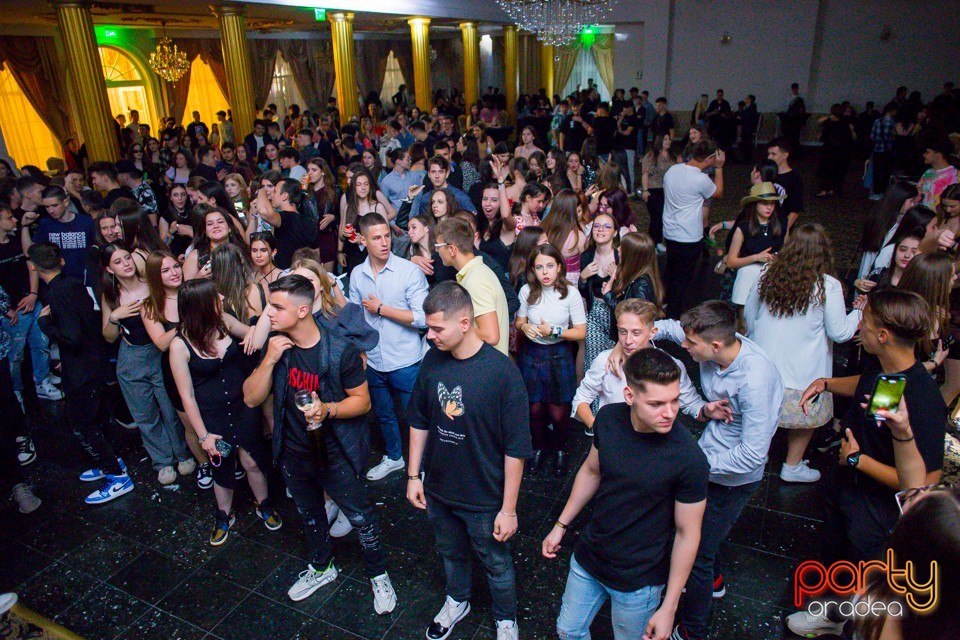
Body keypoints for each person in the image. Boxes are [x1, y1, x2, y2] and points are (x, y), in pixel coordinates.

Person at [785, 289, 946, 638]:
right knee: (836, 555)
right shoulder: (884, 367)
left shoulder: (924, 400)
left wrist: (859, 460)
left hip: (876, 507)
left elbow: (924, 483)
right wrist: (827, 384)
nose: (860, 326)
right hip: (847, 484)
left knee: (860, 570)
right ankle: (831, 613)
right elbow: (865, 385)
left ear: (883, 335)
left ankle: (846, 623)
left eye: (866, 322)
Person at [242, 275, 397, 613]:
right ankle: (322, 567)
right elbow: (251, 398)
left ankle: (379, 574)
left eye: (277, 307)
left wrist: (327, 409)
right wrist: (268, 360)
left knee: (361, 518)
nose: (269, 313)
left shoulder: (340, 349)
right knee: (310, 514)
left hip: (335, 453)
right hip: (294, 452)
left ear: (302, 311)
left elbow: (363, 402)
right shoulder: (277, 347)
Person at [544, 348, 709, 640]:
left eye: (674, 400)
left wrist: (669, 607)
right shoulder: (608, 418)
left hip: (639, 580)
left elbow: (688, 534)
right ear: (630, 396)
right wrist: (560, 524)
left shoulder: (689, 458)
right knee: (568, 631)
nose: (670, 412)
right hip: (590, 557)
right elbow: (591, 471)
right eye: (657, 403)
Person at [406, 281, 531, 640]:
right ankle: (457, 600)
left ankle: (505, 619)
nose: (430, 336)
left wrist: (509, 509)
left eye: (437, 328)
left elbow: (516, 448)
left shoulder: (502, 372)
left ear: (464, 323)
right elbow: (419, 419)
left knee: (495, 563)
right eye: (428, 328)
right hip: (440, 490)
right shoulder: (433, 360)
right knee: (451, 553)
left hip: (484, 496)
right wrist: (413, 475)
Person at [653, 301, 784, 640]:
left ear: (714, 346)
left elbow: (753, 455)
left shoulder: (754, 381)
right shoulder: (715, 342)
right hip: (710, 454)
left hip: (732, 479)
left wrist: (695, 467)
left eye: (691, 343)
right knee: (700, 535)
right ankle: (715, 580)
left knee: (696, 552)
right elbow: (672, 329)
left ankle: (692, 630)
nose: (684, 346)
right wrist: (645, 331)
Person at [744, 224, 860, 482]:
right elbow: (840, 333)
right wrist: (859, 313)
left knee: (761, 416)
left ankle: (757, 458)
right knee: (804, 419)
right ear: (824, 252)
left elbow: (750, 316)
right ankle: (792, 466)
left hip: (763, 364)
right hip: (804, 371)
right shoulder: (828, 285)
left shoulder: (767, 274)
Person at [170, 279, 280, 545]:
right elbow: (187, 397)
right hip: (213, 416)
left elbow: (255, 335)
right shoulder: (179, 345)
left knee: (253, 461)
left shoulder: (225, 322)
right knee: (222, 468)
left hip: (243, 407)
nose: (222, 297)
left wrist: (270, 306)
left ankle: (264, 504)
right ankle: (223, 516)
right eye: (214, 295)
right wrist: (203, 436)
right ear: (200, 305)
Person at [29, 242, 132, 505]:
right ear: (61, 261)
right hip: (94, 363)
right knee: (101, 418)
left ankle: (117, 476)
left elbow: (72, 338)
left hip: (81, 371)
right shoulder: (75, 284)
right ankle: (110, 461)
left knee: (85, 424)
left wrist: (45, 324)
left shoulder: (57, 294)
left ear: (34, 268)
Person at [100, 243, 192, 486]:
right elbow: (109, 337)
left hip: (161, 354)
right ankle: (162, 462)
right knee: (145, 415)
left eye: (127, 258)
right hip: (132, 358)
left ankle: (183, 454)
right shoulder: (111, 295)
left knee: (171, 410)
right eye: (118, 261)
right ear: (109, 269)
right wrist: (114, 317)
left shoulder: (152, 283)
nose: (126, 264)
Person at [348, 212, 429, 481]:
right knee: (383, 415)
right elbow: (354, 317)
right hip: (372, 359)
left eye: (387, 236)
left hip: (405, 359)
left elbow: (423, 318)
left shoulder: (408, 271)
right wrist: (360, 350)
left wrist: (382, 309)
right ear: (363, 240)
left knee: (416, 417)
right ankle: (394, 457)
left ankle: (424, 468)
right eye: (376, 238)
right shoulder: (357, 274)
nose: (384, 243)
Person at [515, 244, 586, 475]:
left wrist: (553, 332)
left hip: (558, 354)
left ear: (559, 267)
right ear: (532, 270)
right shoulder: (526, 291)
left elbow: (581, 332)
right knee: (534, 409)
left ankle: (560, 450)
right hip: (532, 354)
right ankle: (538, 448)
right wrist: (525, 327)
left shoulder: (571, 293)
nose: (545, 272)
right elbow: (519, 321)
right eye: (539, 267)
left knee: (558, 412)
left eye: (549, 266)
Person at [0, 202, 60, 406]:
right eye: (9, 217)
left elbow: (31, 262)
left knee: (41, 345)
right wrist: (4, 309)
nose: (14, 219)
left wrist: (34, 294)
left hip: (32, 303)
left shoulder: (15, 241)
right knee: (15, 355)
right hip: (12, 312)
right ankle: (15, 391)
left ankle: (42, 382)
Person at [662, 140, 725, 318]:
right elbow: (718, 193)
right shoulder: (701, 179)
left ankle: (665, 304)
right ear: (709, 158)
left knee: (671, 271)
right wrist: (719, 168)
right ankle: (674, 315)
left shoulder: (673, 170)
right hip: (688, 236)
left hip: (670, 232)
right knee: (683, 278)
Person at [436, 217, 510, 355]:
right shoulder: (475, 273)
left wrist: (453, 331)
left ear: (452, 249)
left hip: (486, 363)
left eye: (438, 246)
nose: (437, 251)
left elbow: (490, 335)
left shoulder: (475, 280)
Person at [21, 185, 96, 287]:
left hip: (86, 281)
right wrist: (25, 226)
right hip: (58, 284)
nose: (51, 210)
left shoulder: (86, 222)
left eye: (54, 205)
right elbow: (29, 252)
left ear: (66, 201)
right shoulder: (45, 224)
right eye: (47, 207)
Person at [725, 183, 785, 306]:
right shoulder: (743, 227)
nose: (769, 207)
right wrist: (756, 257)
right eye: (764, 203)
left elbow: (785, 252)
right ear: (755, 204)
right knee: (745, 312)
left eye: (772, 203)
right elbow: (731, 262)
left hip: (773, 275)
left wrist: (778, 258)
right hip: (748, 276)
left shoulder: (781, 225)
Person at [256, 178, 318, 270]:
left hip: (288, 273)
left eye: (275, 192)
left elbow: (264, 212)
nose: (272, 195)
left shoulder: (287, 218)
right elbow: (316, 252)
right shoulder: (309, 220)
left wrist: (261, 190)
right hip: (306, 270)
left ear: (285, 196)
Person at [641, 134, 682, 250]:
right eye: (665, 139)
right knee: (656, 217)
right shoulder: (651, 156)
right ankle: (652, 243)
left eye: (669, 139)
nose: (668, 141)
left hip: (668, 190)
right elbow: (645, 174)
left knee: (664, 217)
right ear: (659, 141)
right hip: (653, 189)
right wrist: (645, 190)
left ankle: (658, 241)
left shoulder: (672, 157)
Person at [766, 136, 804, 230]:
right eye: (769, 154)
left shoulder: (794, 178)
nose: (769, 157)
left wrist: (783, 229)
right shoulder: (768, 174)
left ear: (785, 155)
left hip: (780, 225)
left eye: (773, 154)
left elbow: (795, 210)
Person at [916, 134, 959, 209]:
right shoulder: (928, 172)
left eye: (928, 152)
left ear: (938, 155)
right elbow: (919, 191)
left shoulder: (955, 175)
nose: (924, 155)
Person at [869, 104, 898, 200]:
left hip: (877, 149)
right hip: (887, 150)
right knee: (886, 171)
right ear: (893, 111)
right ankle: (884, 191)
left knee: (877, 171)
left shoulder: (877, 121)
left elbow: (872, 136)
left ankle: (876, 192)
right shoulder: (892, 122)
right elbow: (893, 137)